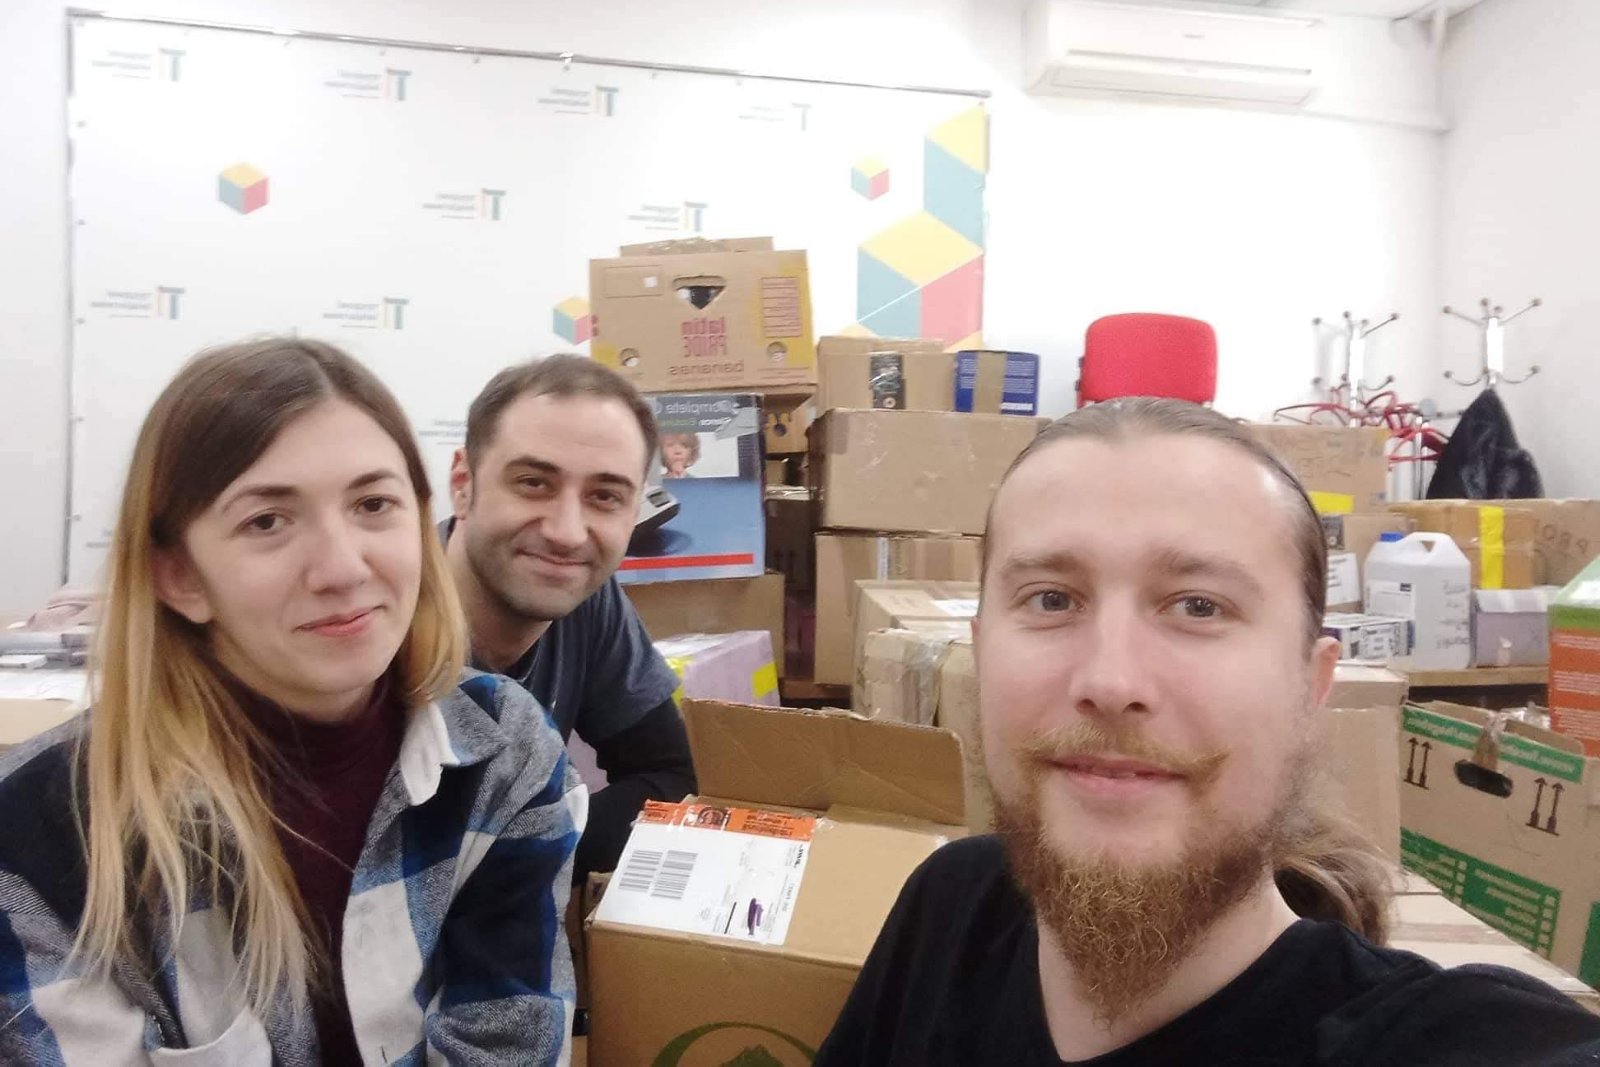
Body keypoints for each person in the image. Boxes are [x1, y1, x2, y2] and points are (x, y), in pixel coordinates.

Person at [817, 398, 1600, 1066]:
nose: (1112, 681)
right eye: (1052, 598)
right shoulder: (952, 908)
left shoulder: (1449, 1039)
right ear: (982, 651)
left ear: (1311, 685)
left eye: (1199, 605)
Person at [0, 338, 584, 1065]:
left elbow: (510, 1041)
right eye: (267, 521)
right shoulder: (39, 835)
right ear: (180, 576)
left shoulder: (502, 749)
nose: (342, 568)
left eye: (374, 504)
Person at [444, 355, 694, 877]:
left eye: (605, 496)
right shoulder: (378, 621)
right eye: (533, 483)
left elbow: (670, 777)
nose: (567, 533)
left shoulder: (585, 595)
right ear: (463, 484)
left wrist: (528, 853)